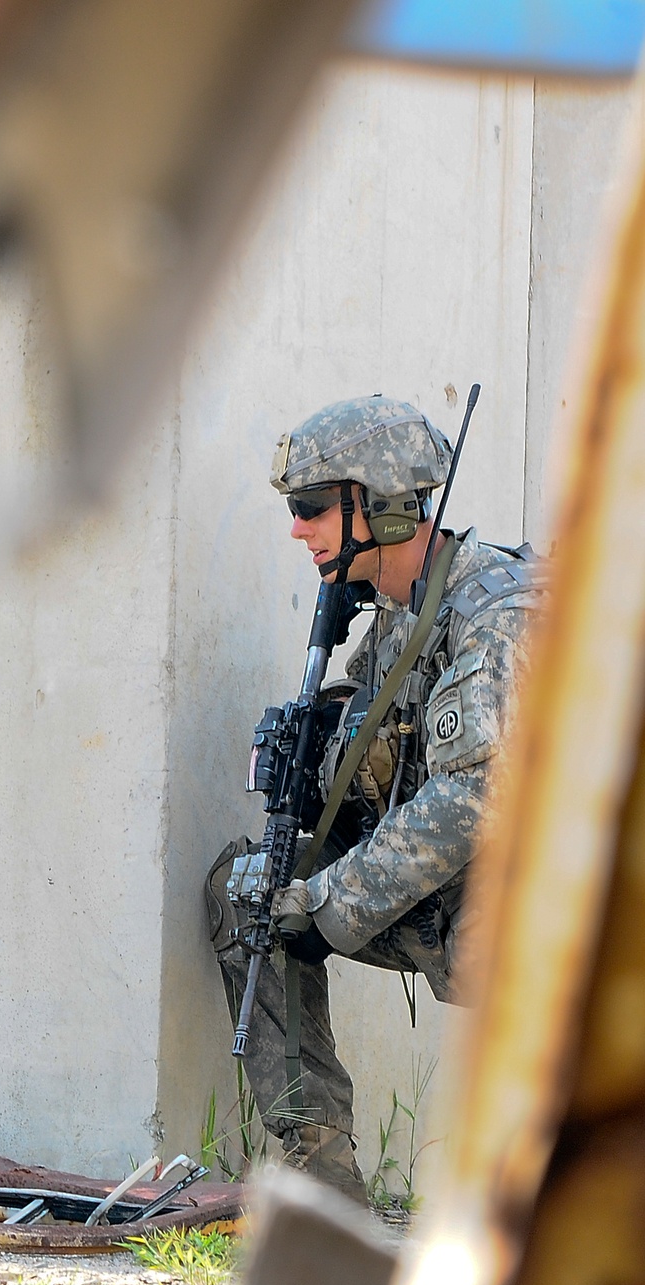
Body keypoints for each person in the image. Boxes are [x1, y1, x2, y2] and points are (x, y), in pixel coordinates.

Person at [205, 395, 547, 1203]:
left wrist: (329, 896)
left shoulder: (494, 611)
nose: (298, 529)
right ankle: (323, 1182)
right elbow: (380, 771)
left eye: (313, 507)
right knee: (247, 893)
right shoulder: (398, 622)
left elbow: (475, 795)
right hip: (451, 909)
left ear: (382, 505)